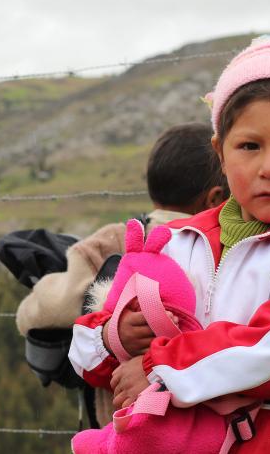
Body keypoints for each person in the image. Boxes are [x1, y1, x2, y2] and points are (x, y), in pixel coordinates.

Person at [69, 30, 270, 453]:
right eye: (249, 145)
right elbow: (86, 355)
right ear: (220, 151)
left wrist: (161, 366)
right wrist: (116, 337)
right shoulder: (180, 241)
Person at [15, 122, 228, 426]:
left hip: (123, 426)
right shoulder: (228, 246)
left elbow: (47, 310)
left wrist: (108, 310)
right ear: (216, 198)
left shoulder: (116, 240)